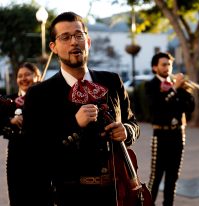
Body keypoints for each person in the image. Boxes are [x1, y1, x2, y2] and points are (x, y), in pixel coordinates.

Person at [21, 12, 141, 206]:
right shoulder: (39, 94)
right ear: (53, 47)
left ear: (88, 41)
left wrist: (126, 130)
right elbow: (33, 153)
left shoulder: (112, 81)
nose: (74, 42)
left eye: (79, 35)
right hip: (70, 196)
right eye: (65, 37)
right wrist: (73, 124)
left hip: (118, 194)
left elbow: (133, 123)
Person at [145, 52, 195, 206]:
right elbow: (156, 108)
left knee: (173, 176)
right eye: (164, 64)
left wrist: (185, 91)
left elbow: (190, 108)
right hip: (160, 134)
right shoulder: (150, 85)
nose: (168, 67)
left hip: (178, 133)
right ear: (155, 67)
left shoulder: (177, 85)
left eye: (169, 64)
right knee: (156, 175)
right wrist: (174, 89)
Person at [0, 62, 41, 206]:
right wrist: (10, 120)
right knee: (18, 198)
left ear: (37, 77)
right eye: (20, 76)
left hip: (41, 156)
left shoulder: (45, 99)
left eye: (27, 75)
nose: (23, 78)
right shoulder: (9, 101)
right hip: (17, 158)